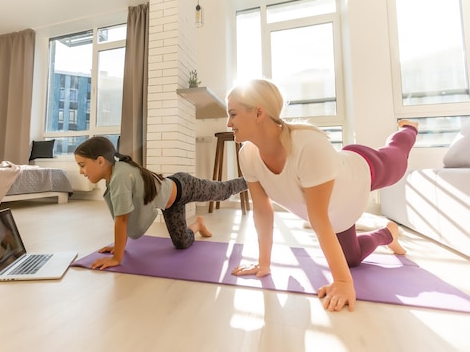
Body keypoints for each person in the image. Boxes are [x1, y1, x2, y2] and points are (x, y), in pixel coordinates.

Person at [226, 79, 417, 312]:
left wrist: (343, 282)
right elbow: (262, 210)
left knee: (398, 159)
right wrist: (264, 263)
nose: (229, 123)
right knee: (351, 259)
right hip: (337, 213)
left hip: (361, 173)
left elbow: (318, 218)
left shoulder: (307, 146)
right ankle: (389, 233)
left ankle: (408, 129)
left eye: (233, 114)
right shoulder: (248, 155)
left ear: (258, 113)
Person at [74, 136, 248, 270]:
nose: (81, 171)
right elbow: (125, 215)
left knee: (223, 192)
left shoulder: (120, 176)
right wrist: (119, 247)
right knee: (182, 243)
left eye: (82, 165)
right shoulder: (114, 177)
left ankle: (251, 179)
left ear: (100, 161)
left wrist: (117, 257)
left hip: (184, 186)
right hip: (170, 203)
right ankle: (199, 224)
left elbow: (122, 220)